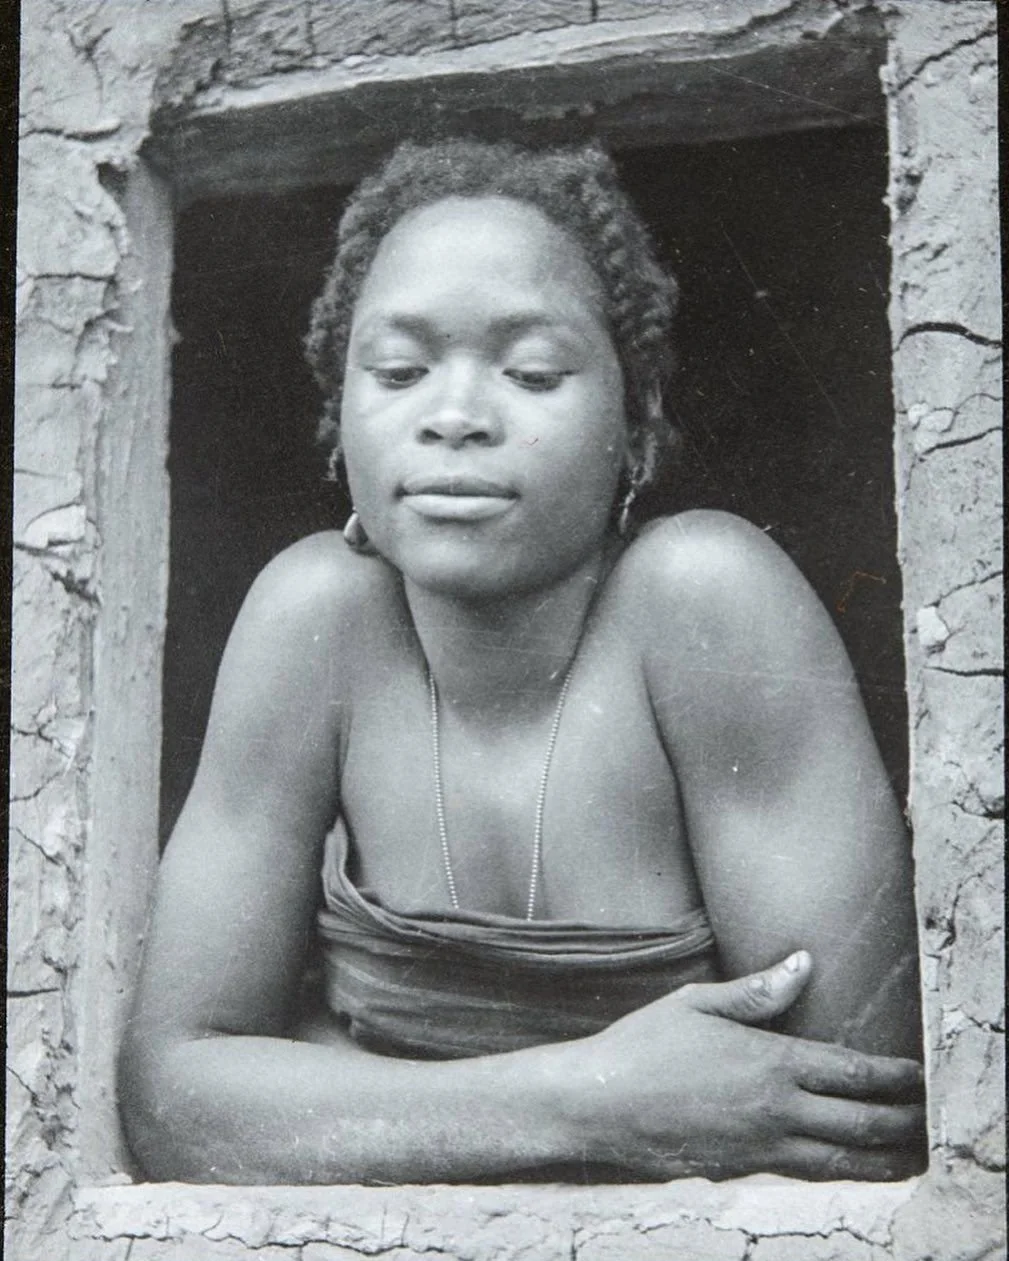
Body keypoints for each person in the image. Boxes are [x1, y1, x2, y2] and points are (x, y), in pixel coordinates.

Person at [119, 139, 925, 1186]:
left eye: (531, 370)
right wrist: (596, 1101)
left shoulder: (703, 602)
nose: (454, 417)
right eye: (399, 371)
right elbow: (172, 1099)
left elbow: (858, 1117)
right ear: (336, 424)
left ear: (634, 427)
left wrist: (337, 1096)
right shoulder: (316, 619)